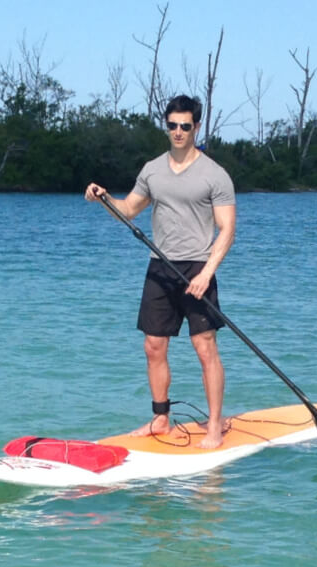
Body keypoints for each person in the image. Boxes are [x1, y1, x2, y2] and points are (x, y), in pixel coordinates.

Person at [85, 95, 237, 449]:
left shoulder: (215, 174)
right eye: (173, 125)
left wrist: (206, 273)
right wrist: (103, 199)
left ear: (196, 127)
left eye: (186, 126)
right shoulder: (152, 169)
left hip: (198, 267)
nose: (179, 132)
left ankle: (215, 424)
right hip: (160, 266)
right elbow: (128, 210)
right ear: (166, 127)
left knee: (205, 348)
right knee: (153, 346)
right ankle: (160, 418)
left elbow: (227, 229)